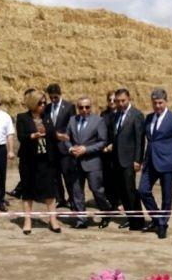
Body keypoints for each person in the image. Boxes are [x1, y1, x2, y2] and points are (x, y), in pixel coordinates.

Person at [138, 88, 172, 239]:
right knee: (143, 191)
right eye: (155, 103)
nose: (157, 106)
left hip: (168, 163)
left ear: (166, 102)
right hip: (150, 162)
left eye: (160, 103)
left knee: (167, 196)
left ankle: (163, 225)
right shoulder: (148, 118)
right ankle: (157, 219)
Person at [58, 96, 113, 229]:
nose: (84, 110)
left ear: (91, 107)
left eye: (87, 107)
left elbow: (102, 141)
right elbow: (66, 138)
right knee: (77, 192)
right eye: (81, 107)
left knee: (97, 190)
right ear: (78, 108)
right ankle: (80, 219)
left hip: (92, 162)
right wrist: (70, 148)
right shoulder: (72, 120)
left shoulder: (98, 121)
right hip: (75, 162)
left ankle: (106, 212)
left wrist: (85, 149)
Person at [16, 89, 61, 234]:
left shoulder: (47, 117)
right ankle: (27, 221)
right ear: (33, 103)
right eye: (40, 103)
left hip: (46, 160)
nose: (43, 105)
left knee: (50, 190)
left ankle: (53, 220)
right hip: (29, 161)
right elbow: (21, 137)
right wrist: (33, 136)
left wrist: (59, 136)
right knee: (28, 190)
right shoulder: (22, 117)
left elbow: (52, 134)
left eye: (44, 102)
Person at [112, 88, 145, 230]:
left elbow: (140, 140)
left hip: (129, 160)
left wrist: (138, 160)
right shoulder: (117, 114)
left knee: (130, 190)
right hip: (118, 160)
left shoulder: (136, 115)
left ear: (129, 98)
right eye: (118, 101)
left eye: (123, 100)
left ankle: (138, 221)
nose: (120, 103)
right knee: (122, 191)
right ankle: (130, 219)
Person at [45, 83, 76, 209]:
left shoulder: (69, 107)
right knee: (55, 175)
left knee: (68, 175)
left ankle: (73, 200)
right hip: (52, 147)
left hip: (64, 147)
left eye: (55, 97)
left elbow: (72, 126)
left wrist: (70, 143)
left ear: (60, 94)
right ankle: (60, 198)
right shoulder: (47, 108)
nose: (53, 100)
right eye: (51, 97)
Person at [100, 91, 120, 209]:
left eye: (114, 100)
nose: (112, 102)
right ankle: (111, 201)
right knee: (107, 177)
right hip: (105, 150)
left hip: (117, 149)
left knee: (117, 177)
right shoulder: (104, 114)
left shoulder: (121, 114)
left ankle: (119, 201)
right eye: (110, 100)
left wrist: (113, 145)